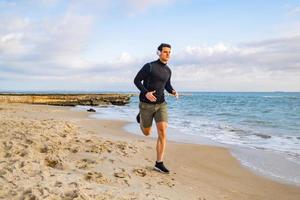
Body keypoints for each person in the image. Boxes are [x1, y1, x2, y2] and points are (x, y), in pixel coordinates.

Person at [134, 43, 178, 174]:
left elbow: (167, 85)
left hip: (161, 105)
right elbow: (136, 80)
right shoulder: (149, 66)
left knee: (163, 132)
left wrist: (173, 91)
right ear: (158, 52)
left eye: (169, 52)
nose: (168, 54)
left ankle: (159, 163)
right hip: (146, 105)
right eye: (165, 52)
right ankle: (141, 117)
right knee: (147, 133)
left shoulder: (168, 70)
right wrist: (146, 92)